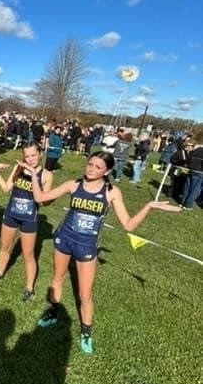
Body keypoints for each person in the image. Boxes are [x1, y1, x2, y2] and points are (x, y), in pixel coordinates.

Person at [23, 151, 180, 354]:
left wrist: (148, 206)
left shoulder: (111, 192)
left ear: (107, 170)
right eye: (90, 164)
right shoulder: (74, 184)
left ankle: (86, 332)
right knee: (58, 278)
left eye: (98, 167)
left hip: (86, 246)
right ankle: (53, 313)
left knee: (85, 293)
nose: (91, 169)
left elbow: (129, 225)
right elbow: (40, 197)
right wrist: (34, 175)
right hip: (64, 239)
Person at [0, 142, 53, 299]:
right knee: (4, 246)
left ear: (40, 155)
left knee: (28, 254)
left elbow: (44, 201)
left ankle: (29, 288)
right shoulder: (19, 168)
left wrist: (34, 176)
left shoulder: (47, 175)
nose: (30, 159)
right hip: (11, 214)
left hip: (29, 219)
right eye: (27, 156)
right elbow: (6, 189)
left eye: (33, 155)